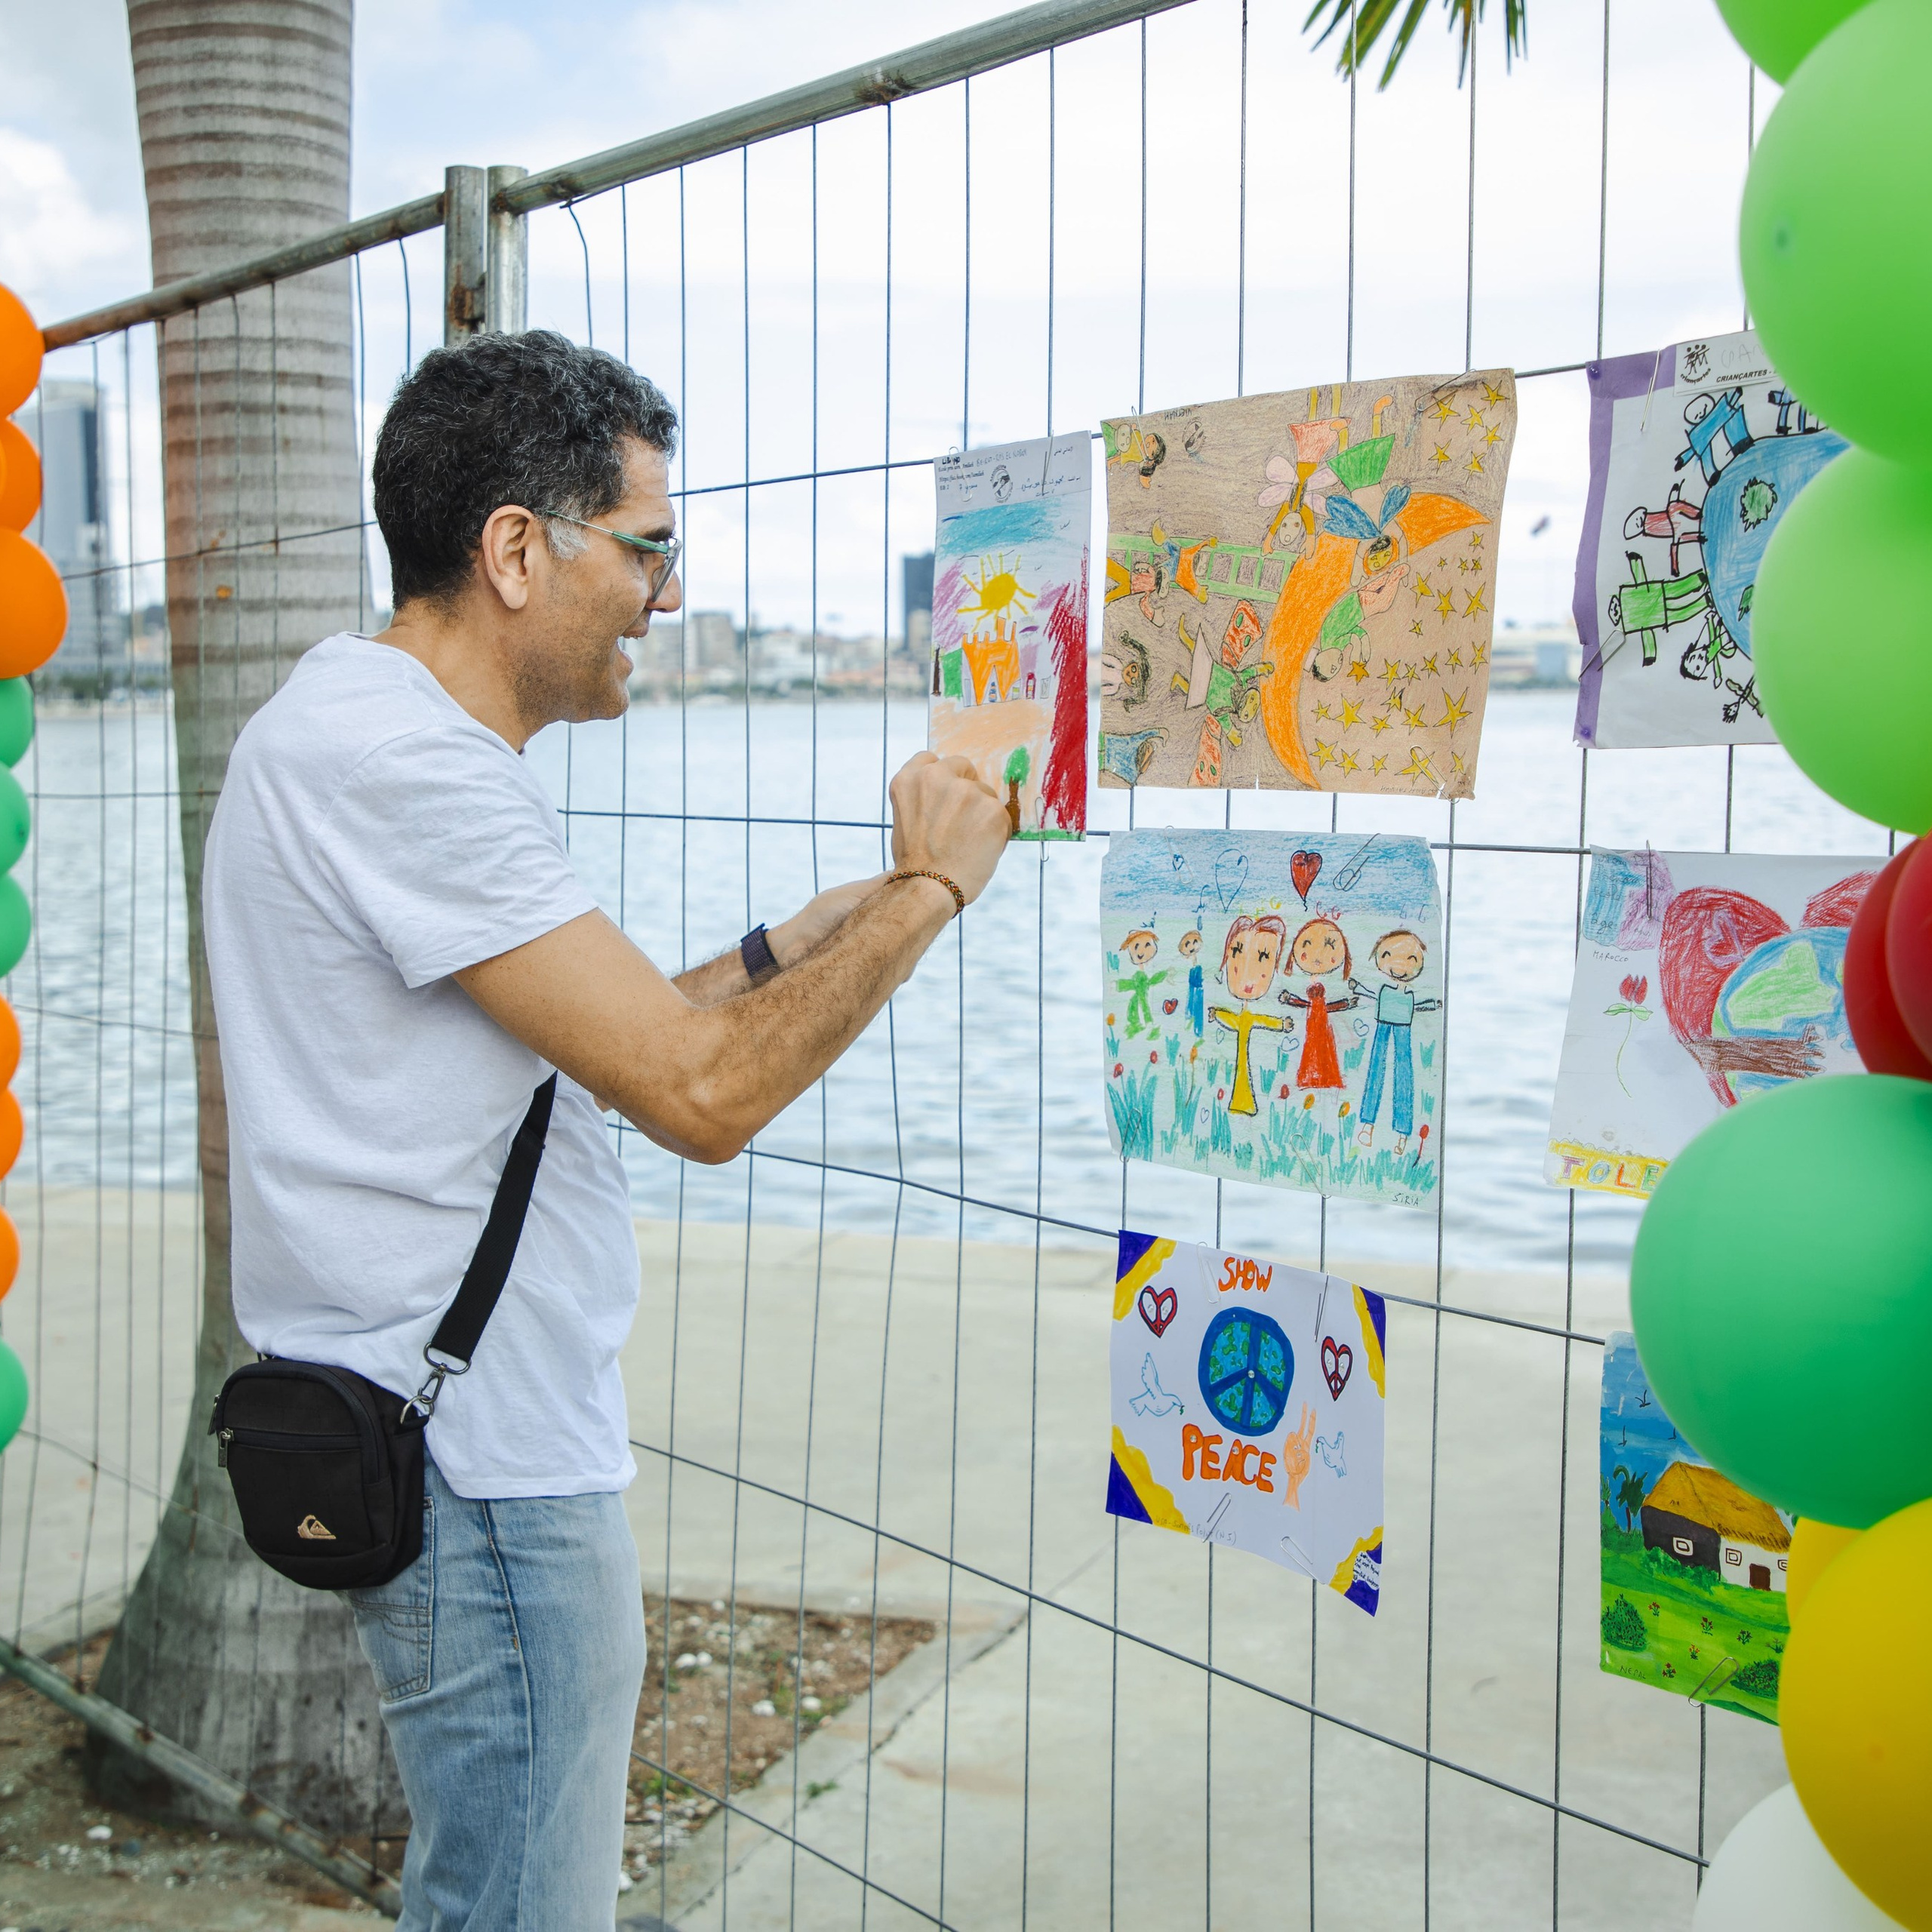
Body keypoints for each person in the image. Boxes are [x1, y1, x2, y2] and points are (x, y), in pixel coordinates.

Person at [201, 330, 1011, 1932]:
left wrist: (803, 940)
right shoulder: (408, 768)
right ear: (516, 550)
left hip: (428, 1429)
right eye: (646, 547)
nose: (668, 593)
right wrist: (931, 891)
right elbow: (701, 1095)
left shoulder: (350, 725)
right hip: (482, 1467)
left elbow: (577, 1057)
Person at [1351, 928, 1440, 1154]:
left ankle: (1402, 1134)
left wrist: (1433, 1004)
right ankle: (1368, 1125)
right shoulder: (1384, 991)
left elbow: (1418, 1006)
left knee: (1403, 1073)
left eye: (1411, 959)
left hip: (1403, 1028)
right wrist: (1358, 989)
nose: (1400, 966)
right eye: (1388, 955)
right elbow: (1371, 995)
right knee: (1376, 1068)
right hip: (1384, 1024)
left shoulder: (1408, 996)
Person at [1209, 914, 1289, 1116]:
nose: (1247, 974)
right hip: (1240, 1041)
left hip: (1244, 1038)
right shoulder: (1243, 1018)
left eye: (1264, 958)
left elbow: (1262, 1021)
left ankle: (1243, 1102)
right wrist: (1217, 1014)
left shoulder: (1247, 1018)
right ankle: (1242, 1102)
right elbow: (1236, 1020)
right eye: (1237, 952)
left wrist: (1281, 1025)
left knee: (1243, 1070)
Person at [1281, 917, 1357, 1095]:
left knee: (1324, 1048)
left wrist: (1346, 1004)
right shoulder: (1306, 982)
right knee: (1312, 1048)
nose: (1317, 955)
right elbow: (1308, 1004)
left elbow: (1326, 1007)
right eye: (1307, 944)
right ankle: (1310, 1077)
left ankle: (1325, 1077)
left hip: (1321, 1023)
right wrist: (1289, 999)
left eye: (1329, 945)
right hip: (1313, 1023)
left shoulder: (1330, 982)